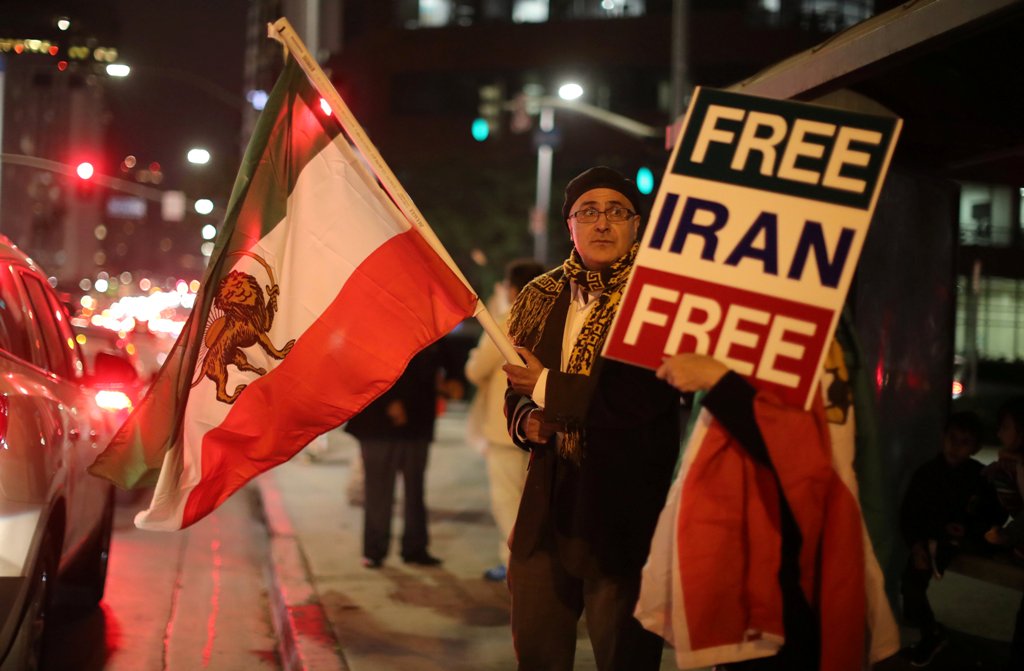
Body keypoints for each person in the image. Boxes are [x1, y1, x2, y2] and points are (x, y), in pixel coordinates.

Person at [501, 166, 682, 670]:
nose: (602, 223)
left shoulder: (657, 298)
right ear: (570, 227)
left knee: (624, 657)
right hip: (546, 504)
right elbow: (514, 381)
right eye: (589, 212)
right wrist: (525, 421)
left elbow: (641, 398)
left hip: (624, 510)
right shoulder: (540, 295)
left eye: (616, 212)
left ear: (636, 224)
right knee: (536, 651)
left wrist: (543, 387)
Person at [651, 342, 899, 670]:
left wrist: (718, 380)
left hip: (787, 571)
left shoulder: (809, 332)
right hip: (757, 557)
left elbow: (801, 456)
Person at [464, 258, 545, 582]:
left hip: (505, 428)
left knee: (509, 502)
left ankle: (516, 567)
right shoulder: (553, 320)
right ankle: (537, 565)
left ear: (512, 289)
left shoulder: (505, 321)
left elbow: (475, 370)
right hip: (543, 425)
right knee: (536, 504)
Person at [899, 410, 993, 667]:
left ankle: (931, 636)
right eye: (953, 438)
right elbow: (909, 513)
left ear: (975, 447)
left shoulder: (980, 477)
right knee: (910, 585)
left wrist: (970, 529)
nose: (956, 446)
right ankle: (931, 634)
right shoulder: (927, 473)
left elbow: (992, 512)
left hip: (961, 539)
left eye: (965, 442)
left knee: (913, 584)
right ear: (943, 437)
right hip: (930, 539)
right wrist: (917, 544)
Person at [345, 344, 447, 568]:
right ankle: (374, 550)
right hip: (379, 422)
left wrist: (454, 377)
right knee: (379, 490)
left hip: (418, 418)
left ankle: (415, 547)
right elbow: (364, 360)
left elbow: (440, 355)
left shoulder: (431, 316)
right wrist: (389, 399)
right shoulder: (375, 317)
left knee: (415, 489)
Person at [983, 396, 1024, 669]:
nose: (999, 432)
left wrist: (1007, 536)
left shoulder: (1015, 466)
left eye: (1005, 426)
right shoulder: (1008, 465)